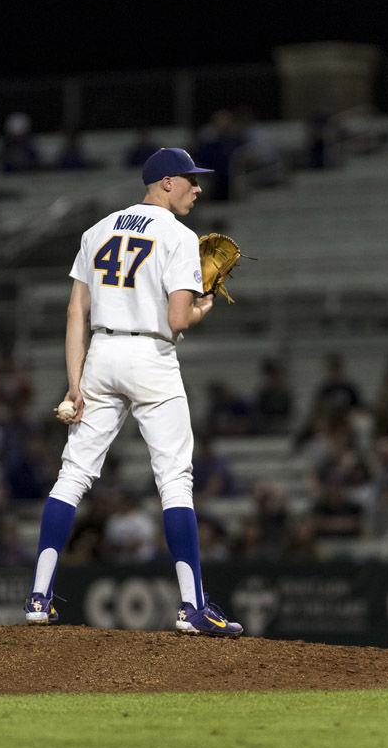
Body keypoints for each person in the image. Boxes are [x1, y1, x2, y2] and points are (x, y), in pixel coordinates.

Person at [23, 146, 243, 637]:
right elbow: (176, 319)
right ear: (164, 182)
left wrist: (75, 384)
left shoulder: (96, 230)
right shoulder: (179, 236)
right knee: (174, 479)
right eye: (189, 179)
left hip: (101, 353)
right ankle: (192, 607)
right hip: (150, 356)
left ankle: (39, 596)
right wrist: (205, 306)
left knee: (73, 473)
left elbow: (75, 312)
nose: (197, 187)